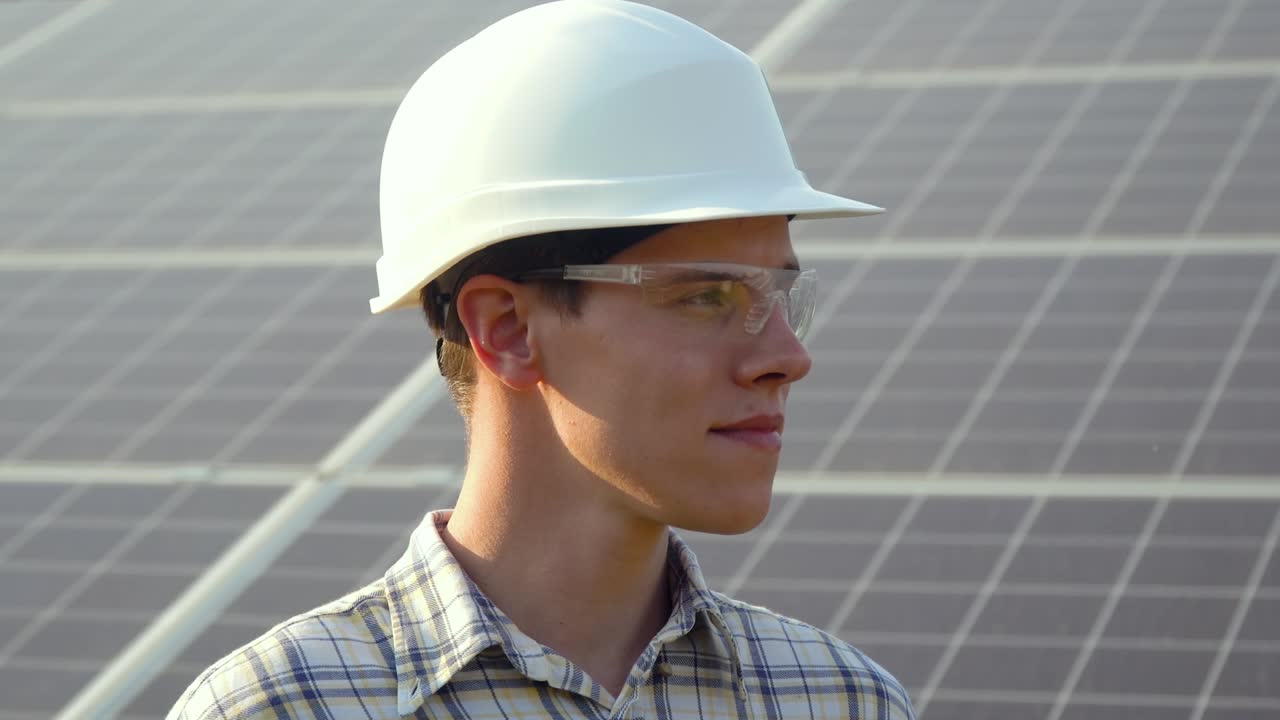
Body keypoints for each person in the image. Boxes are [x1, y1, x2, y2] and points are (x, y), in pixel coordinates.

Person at [169, 1, 915, 718]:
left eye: (783, 297)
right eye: (706, 297)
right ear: (507, 329)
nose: (788, 357)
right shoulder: (277, 709)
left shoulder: (844, 701)